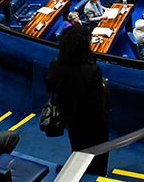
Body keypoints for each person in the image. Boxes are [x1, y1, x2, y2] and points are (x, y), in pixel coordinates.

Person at [46, 25, 110, 174]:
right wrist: (103, 86)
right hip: (93, 123)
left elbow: (50, 88)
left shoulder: (55, 64)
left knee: (77, 148)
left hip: (70, 119)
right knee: (98, 155)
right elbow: (97, 104)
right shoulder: (91, 70)